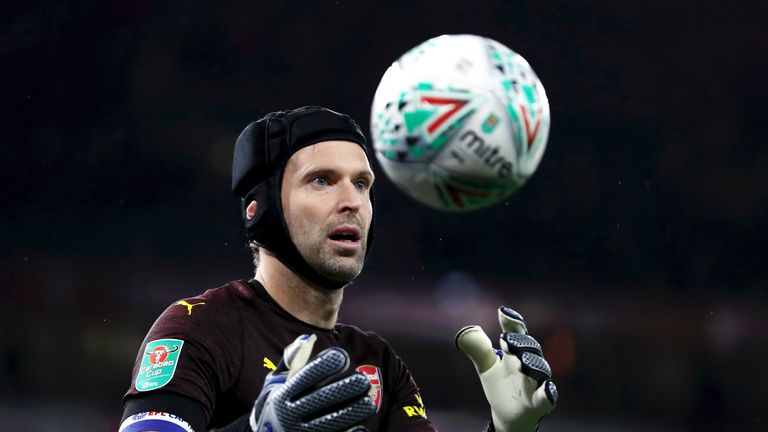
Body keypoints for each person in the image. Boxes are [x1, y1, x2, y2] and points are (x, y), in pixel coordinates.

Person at [119, 106, 557, 432]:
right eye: (322, 180)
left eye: (362, 184)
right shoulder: (201, 328)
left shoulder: (379, 362)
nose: (351, 201)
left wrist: (506, 429)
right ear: (262, 210)